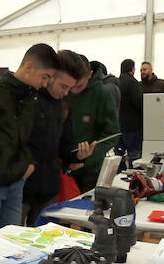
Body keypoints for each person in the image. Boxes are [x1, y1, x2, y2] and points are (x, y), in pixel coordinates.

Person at [0, 43, 59, 231]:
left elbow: (32, 136)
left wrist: (29, 163)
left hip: (16, 183)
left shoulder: (31, 97)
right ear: (29, 67)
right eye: (45, 76)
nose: (46, 83)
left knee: (11, 243)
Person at [22, 50, 95, 225]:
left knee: (43, 243)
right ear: (51, 75)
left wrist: (78, 154)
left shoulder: (63, 106)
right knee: (9, 240)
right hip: (21, 188)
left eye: (70, 88)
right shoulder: (25, 100)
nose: (66, 92)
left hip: (49, 189)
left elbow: (65, 145)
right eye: (64, 86)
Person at [67, 54, 120, 193]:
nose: (73, 91)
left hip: (88, 171)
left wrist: (87, 159)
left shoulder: (102, 94)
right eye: (70, 86)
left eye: (79, 86)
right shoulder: (64, 90)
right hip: (61, 168)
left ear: (90, 74)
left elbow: (112, 133)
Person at [117, 58, 143, 166]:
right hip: (132, 126)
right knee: (134, 155)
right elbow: (139, 101)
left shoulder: (116, 82)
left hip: (118, 126)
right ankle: (134, 178)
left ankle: (118, 176)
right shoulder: (132, 82)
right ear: (132, 69)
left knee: (119, 155)